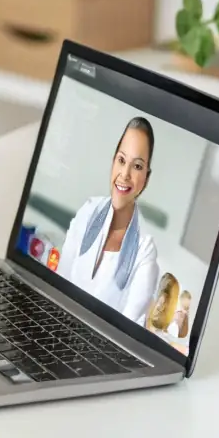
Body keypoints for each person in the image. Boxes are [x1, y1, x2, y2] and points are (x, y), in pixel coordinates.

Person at [58, 117, 160, 324]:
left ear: (146, 179)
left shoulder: (144, 250)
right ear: (113, 162)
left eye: (137, 166)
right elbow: (59, 283)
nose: (125, 174)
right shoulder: (88, 211)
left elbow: (129, 330)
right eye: (121, 161)